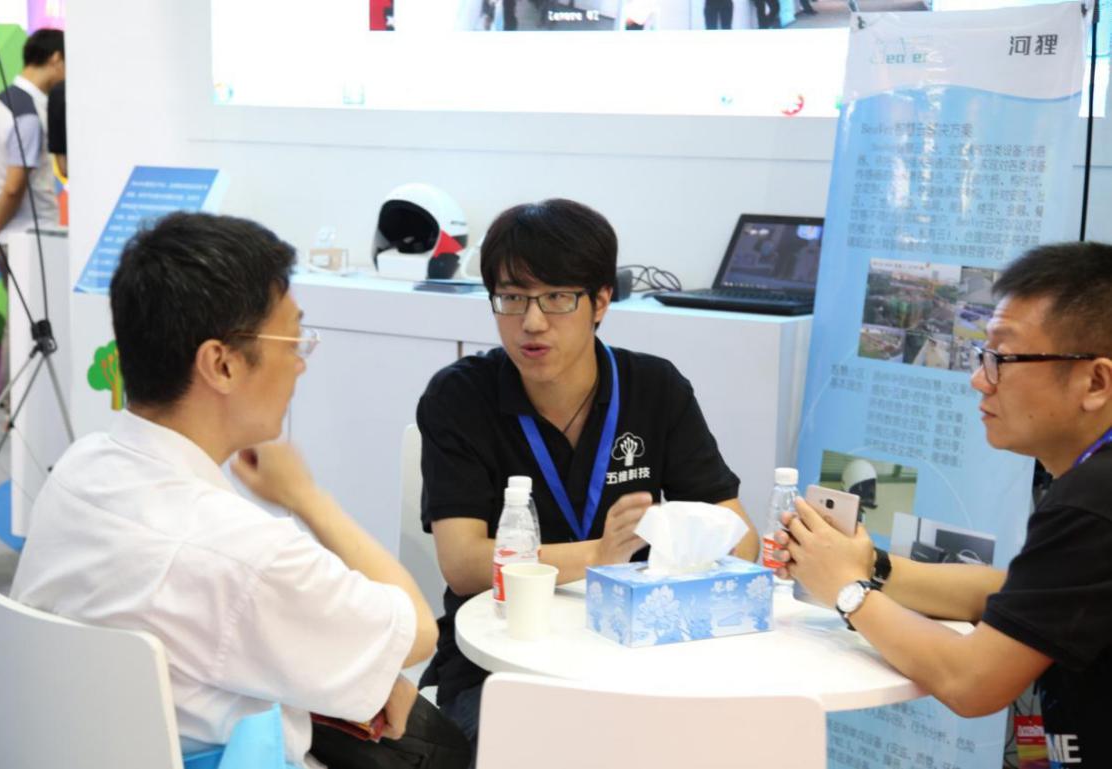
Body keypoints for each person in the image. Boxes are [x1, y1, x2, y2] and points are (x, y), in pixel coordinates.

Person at [11, 212, 470, 769]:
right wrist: (306, 498)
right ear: (222, 364)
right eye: (293, 342)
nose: (299, 365)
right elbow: (416, 630)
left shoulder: (78, 471)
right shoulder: (247, 554)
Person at [416, 198, 758, 751]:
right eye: (512, 298)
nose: (531, 322)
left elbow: (740, 542)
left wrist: (678, 537)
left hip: (641, 652)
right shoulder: (460, 397)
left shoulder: (655, 389)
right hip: (501, 661)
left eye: (556, 297)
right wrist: (601, 555)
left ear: (600, 301)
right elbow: (464, 565)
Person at [775, 241, 1112, 766]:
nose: (980, 379)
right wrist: (870, 565)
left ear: (1095, 381)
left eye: (1002, 359)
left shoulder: (1093, 499)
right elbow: (1017, 593)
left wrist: (847, 591)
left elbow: (971, 681)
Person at [0, 28, 64, 240]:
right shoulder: (28, 114)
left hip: (10, 233)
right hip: (31, 235)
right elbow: (14, 187)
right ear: (56, 59)